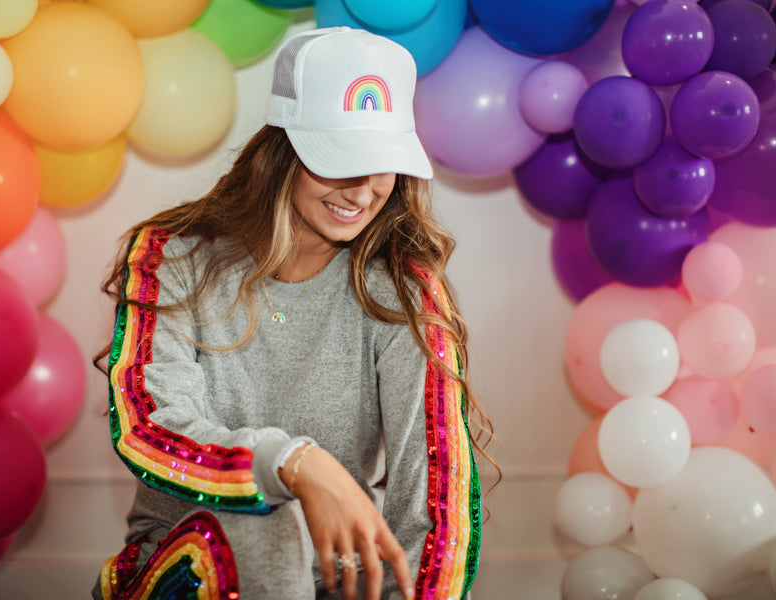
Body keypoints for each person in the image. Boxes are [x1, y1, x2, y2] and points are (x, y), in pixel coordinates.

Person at [94, 26, 498, 600]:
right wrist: (292, 464)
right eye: (340, 160)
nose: (363, 192)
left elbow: (437, 498)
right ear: (282, 149)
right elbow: (147, 425)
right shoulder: (169, 256)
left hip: (331, 584)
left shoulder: (402, 289)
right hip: (188, 567)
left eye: (383, 163)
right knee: (263, 520)